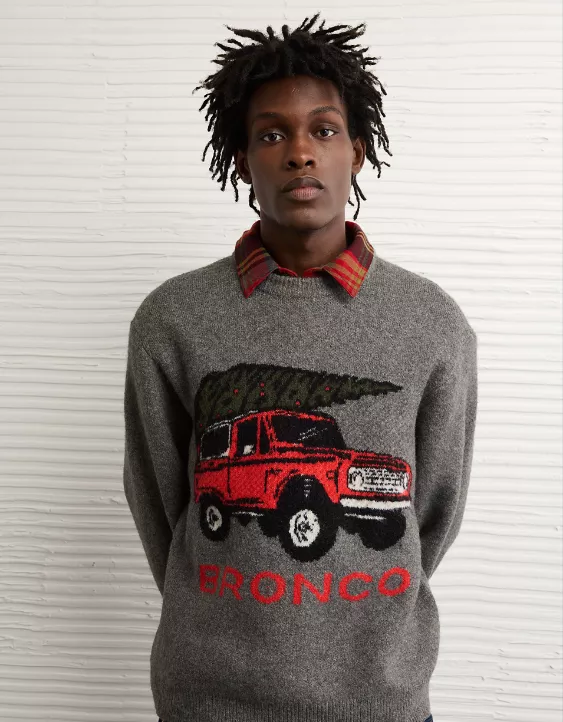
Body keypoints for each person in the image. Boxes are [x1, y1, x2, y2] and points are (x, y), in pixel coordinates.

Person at [123, 13, 477, 722]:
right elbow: (159, 499)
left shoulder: (432, 322)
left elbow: (431, 510)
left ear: (357, 150)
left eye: (323, 130)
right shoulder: (172, 318)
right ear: (241, 158)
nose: (300, 154)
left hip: (378, 695)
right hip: (208, 694)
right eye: (271, 134)